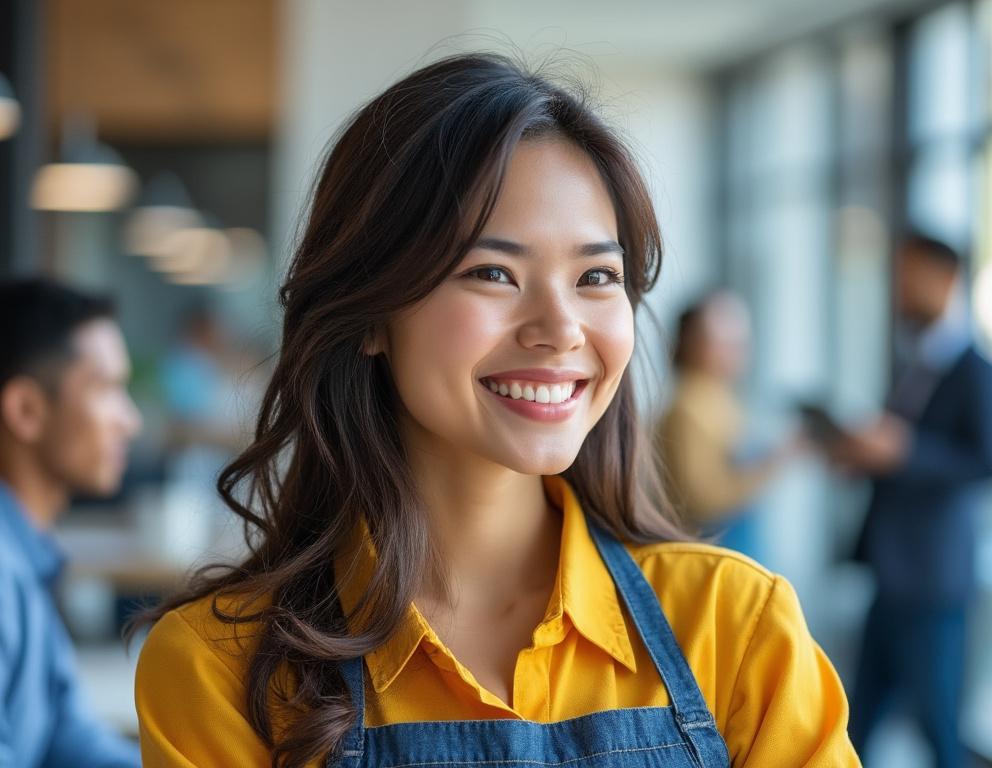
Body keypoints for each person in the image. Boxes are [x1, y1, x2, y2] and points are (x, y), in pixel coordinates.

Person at [134, 53, 859, 768]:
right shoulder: (219, 670)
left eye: (596, 277)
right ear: (371, 314)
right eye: (492, 272)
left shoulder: (734, 624)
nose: (562, 328)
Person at [827, 234, 992, 767]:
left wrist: (905, 451)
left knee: (937, 725)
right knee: (857, 718)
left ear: (945, 279)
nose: (899, 288)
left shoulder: (980, 371)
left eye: (909, 275)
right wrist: (861, 455)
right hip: (891, 570)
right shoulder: (912, 364)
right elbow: (896, 455)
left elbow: (987, 464)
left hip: (934, 577)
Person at [0, 277, 143, 768]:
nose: (130, 420)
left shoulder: (25, 549)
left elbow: (66, 732)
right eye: (106, 389)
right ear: (25, 410)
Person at [657, 290, 800, 557]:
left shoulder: (720, 398)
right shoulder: (687, 409)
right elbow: (704, 500)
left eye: (739, 341)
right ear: (690, 342)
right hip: (710, 551)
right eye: (722, 341)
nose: (735, 350)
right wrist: (773, 462)